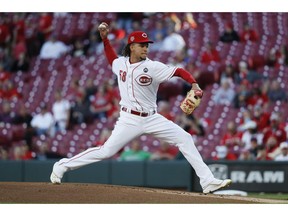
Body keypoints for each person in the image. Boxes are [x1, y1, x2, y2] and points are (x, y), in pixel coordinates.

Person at [50, 22, 232, 194]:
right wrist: (105, 39)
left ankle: (207, 181)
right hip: (129, 119)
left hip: (152, 118)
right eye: (142, 44)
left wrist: (194, 84)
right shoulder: (121, 64)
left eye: (147, 45)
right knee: (106, 151)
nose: (146, 47)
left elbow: (178, 71)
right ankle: (61, 166)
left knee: (184, 138)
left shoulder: (152, 67)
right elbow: (111, 58)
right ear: (132, 47)